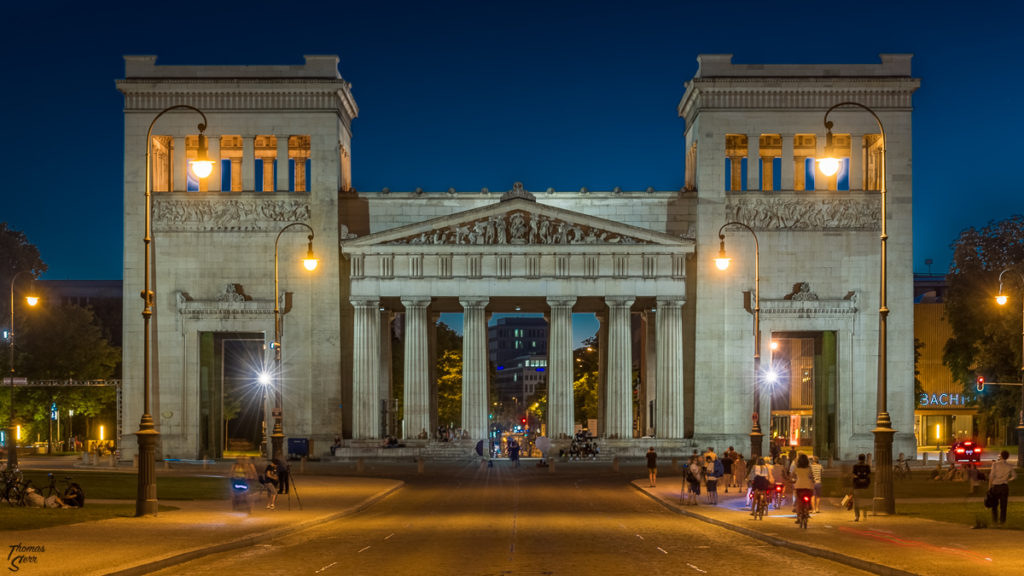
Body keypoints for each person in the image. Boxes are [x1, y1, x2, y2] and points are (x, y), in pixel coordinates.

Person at [988, 449, 1017, 525]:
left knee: (994, 505)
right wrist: (1008, 479)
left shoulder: (995, 464)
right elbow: (1014, 476)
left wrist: (989, 487)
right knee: (1003, 505)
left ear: (1001, 456)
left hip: (996, 486)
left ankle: (995, 520)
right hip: (1004, 486)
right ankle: (1002, 521)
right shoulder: (1009, 466)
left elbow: (991, 476)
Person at [792, 454, 814, 521]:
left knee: (799, 501)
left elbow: (792, 475)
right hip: (808, 486)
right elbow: (812, 476)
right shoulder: (809, 468)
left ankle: (798, 517)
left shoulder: (796, 468)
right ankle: (808, 508)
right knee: (809, 496)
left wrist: (793, 480)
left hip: (799, 486)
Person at [851, 453, 871, 521]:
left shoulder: (855, 466)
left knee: (856, 502)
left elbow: (854, 475)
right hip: (865, 486)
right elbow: (868, 476)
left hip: (857, 486)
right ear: (864, 459)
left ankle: (857, 516)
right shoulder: (867, 466)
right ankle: (865, 515)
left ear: (858, 459)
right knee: (864, 501)